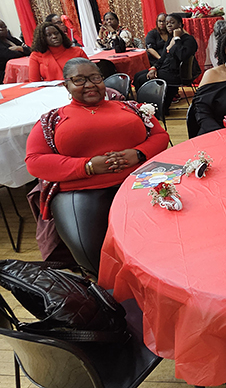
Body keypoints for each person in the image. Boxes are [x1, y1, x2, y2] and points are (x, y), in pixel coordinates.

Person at [25, 58, 170, 273]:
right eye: (79, 80)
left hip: (140, 180)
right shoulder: (53, 119)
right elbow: (35, 161)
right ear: (66, 85)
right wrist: (88, 166)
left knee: (164, 241)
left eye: (95, 78)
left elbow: (160, 135)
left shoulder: (131, 107)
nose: (89, 85)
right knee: (96, 257)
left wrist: (139, 154)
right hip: (82, 190)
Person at [133, 13, 201, 112]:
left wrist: (177, 39)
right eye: (167, 23)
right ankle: (147, 106)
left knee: (142, 79)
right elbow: (163, 57)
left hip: (179, 73)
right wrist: (154, 68)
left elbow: (182, 56)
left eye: (172, 23)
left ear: (180, 24)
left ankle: (154, 109)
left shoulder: (188, 39)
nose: (168, 25)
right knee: (137, 75)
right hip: (168, 69)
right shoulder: (170, 38)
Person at [0, 18, 30, 83]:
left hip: (20, 69)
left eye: (3, 26)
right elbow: (9, 55)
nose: (1, 29)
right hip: (5, 74)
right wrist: (22, 50)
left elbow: (30, 50)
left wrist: (19, 48)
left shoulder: (11, 39)